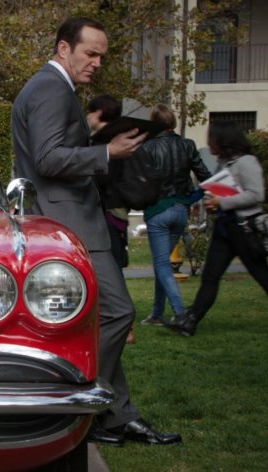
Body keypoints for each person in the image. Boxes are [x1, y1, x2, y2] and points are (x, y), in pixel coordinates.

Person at [12, 17, 182, 446]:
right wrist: (108, 150)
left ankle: (115, 414)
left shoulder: (50, 87)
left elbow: (52, 152)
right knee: (118, 312)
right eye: (90, 53)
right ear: (63, 48)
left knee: (98, 319)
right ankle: (79, 404)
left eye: (101, 56)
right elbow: (49, 159)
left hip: (66, 217)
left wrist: (98, 141)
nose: (97, 63)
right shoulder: (52, 88)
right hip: (69, 222)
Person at [165, 121, 268, 338]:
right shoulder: (225, 163)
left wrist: (222, 202)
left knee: (262, 275)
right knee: (210, 276)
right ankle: (190, 321)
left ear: (223, 140)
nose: (209, 143)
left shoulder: (247, 162)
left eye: (212, 139)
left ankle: (190, 320)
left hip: (245, 229)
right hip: (225, 229)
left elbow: (256, 195)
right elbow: (218, 189)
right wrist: (211, 200)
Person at [139, 105, 212, 327]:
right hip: (181, 210)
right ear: (172, 122)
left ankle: (181, 314)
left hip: (157, 211)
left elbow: (141, 181)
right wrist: (193, 196)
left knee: (161, 265)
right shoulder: (187, 145)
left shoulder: (147, 147)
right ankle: (157, 313)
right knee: (162, 265)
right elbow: (205, 176)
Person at [87, 94, 135, 344]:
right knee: (113, 266)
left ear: (98, 113)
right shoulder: (122, 139)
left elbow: (104, 177)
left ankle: (123, 325)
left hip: (107, 211)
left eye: (90, 112)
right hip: (117, 212)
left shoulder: (106, 143)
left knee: (109, 268)